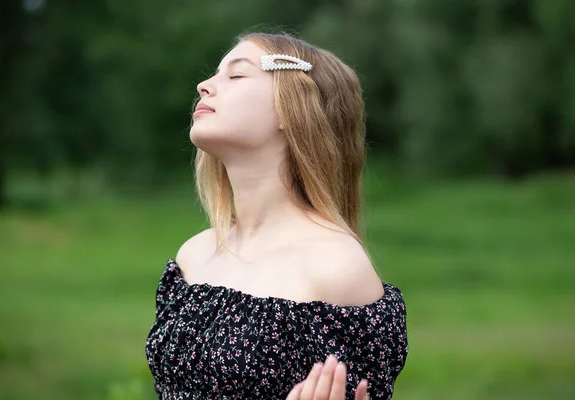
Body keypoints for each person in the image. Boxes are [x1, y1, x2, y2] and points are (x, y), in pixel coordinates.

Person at [145, 31, 408, 400]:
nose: (204, 85)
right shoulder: (195, 254)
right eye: (215, 74)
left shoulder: (335, 267)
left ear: (292, 108)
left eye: (236, 75)